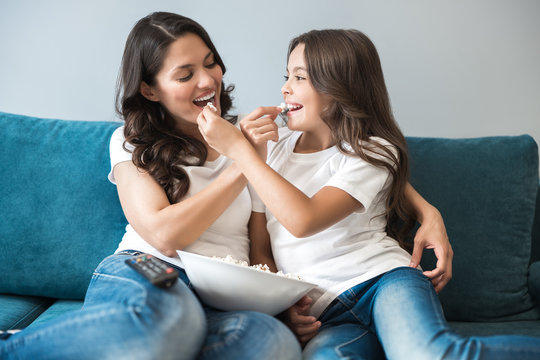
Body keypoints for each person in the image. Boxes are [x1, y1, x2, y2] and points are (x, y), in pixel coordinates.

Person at [196, 29, 540, 359]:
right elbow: (261, 248)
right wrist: (282, 305)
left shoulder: (372, 152)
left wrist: (241, 151)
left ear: (339, 88)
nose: (285, 88)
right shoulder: (271, 151)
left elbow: (303, 220)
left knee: (427, 354)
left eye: (299, 78)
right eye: (286, 76)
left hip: (383, 284)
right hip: (326, 313)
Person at [0, 12, 302, 360]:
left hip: (221, 298)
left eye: (211, 63)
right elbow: (164, 235)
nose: (208, 81)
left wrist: (283, 301)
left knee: (272, 342)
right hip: (149, 270)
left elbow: (259, 250)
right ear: (149, 89)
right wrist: (243, 161)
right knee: (173, 320)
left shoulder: (252, 136)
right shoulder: (131, 141)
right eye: (186, 74)